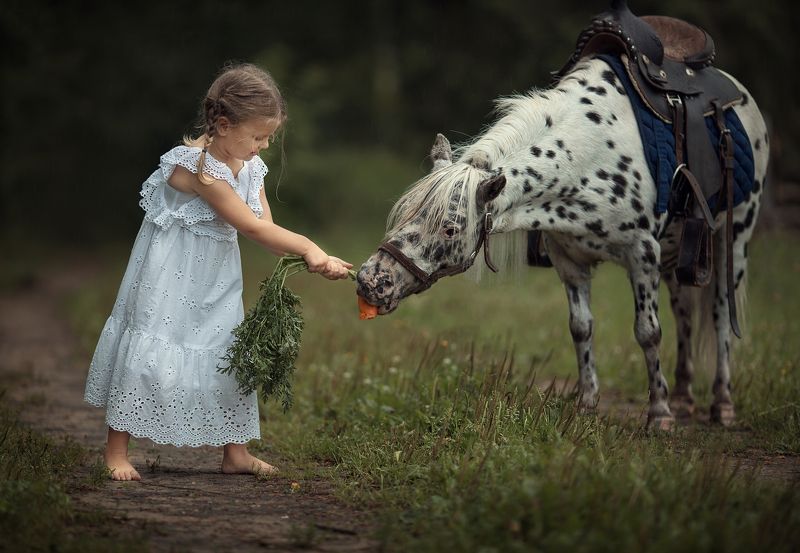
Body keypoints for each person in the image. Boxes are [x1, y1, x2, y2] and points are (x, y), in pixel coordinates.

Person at [83, 63, 351, 481]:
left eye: (269, 138)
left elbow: (266, 228)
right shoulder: (198, 168)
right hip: (170, 277)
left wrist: (311, 260)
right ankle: (116, 450)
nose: (263, 146)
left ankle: (236, 452)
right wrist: (311, 247)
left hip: (216, 281)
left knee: (229, 353)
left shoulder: (250, 168)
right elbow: (249, 224)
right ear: (223, 125)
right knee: (153, 346)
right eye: (258, 137)